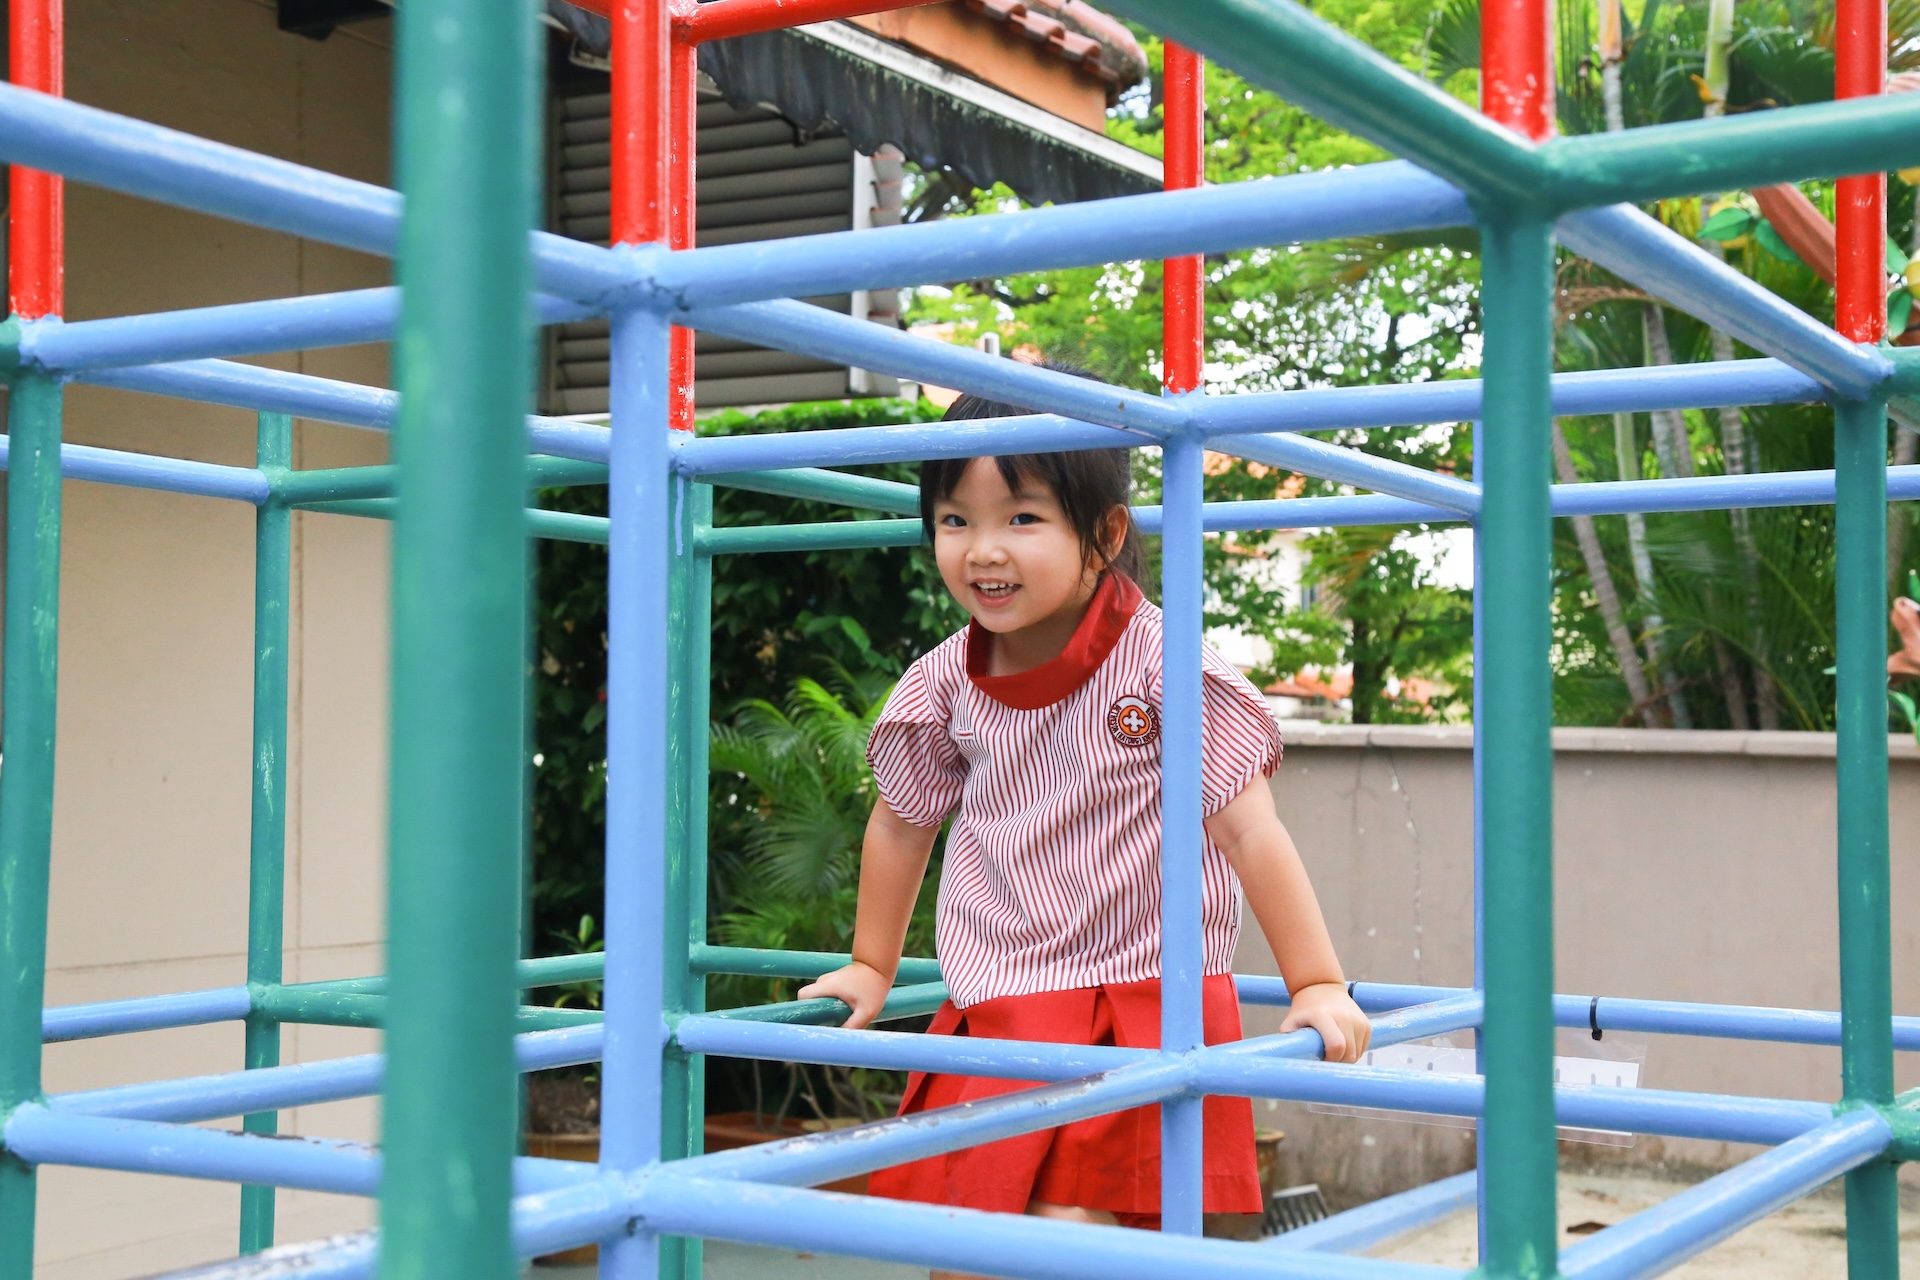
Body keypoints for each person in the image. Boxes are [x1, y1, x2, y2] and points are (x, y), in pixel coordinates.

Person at [799, 387, 1370, 1257]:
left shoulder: (1163, 667)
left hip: (1141, 996)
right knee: (969, 1236)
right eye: (955, 520)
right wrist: (871, 965)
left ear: (1103, 537)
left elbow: (1251, 831)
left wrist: (1317, 982)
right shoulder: (945, 680)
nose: (983, 550)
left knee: (1074, 1230)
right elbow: (902, 822)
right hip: (1004, 1000)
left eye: (1022, 516)